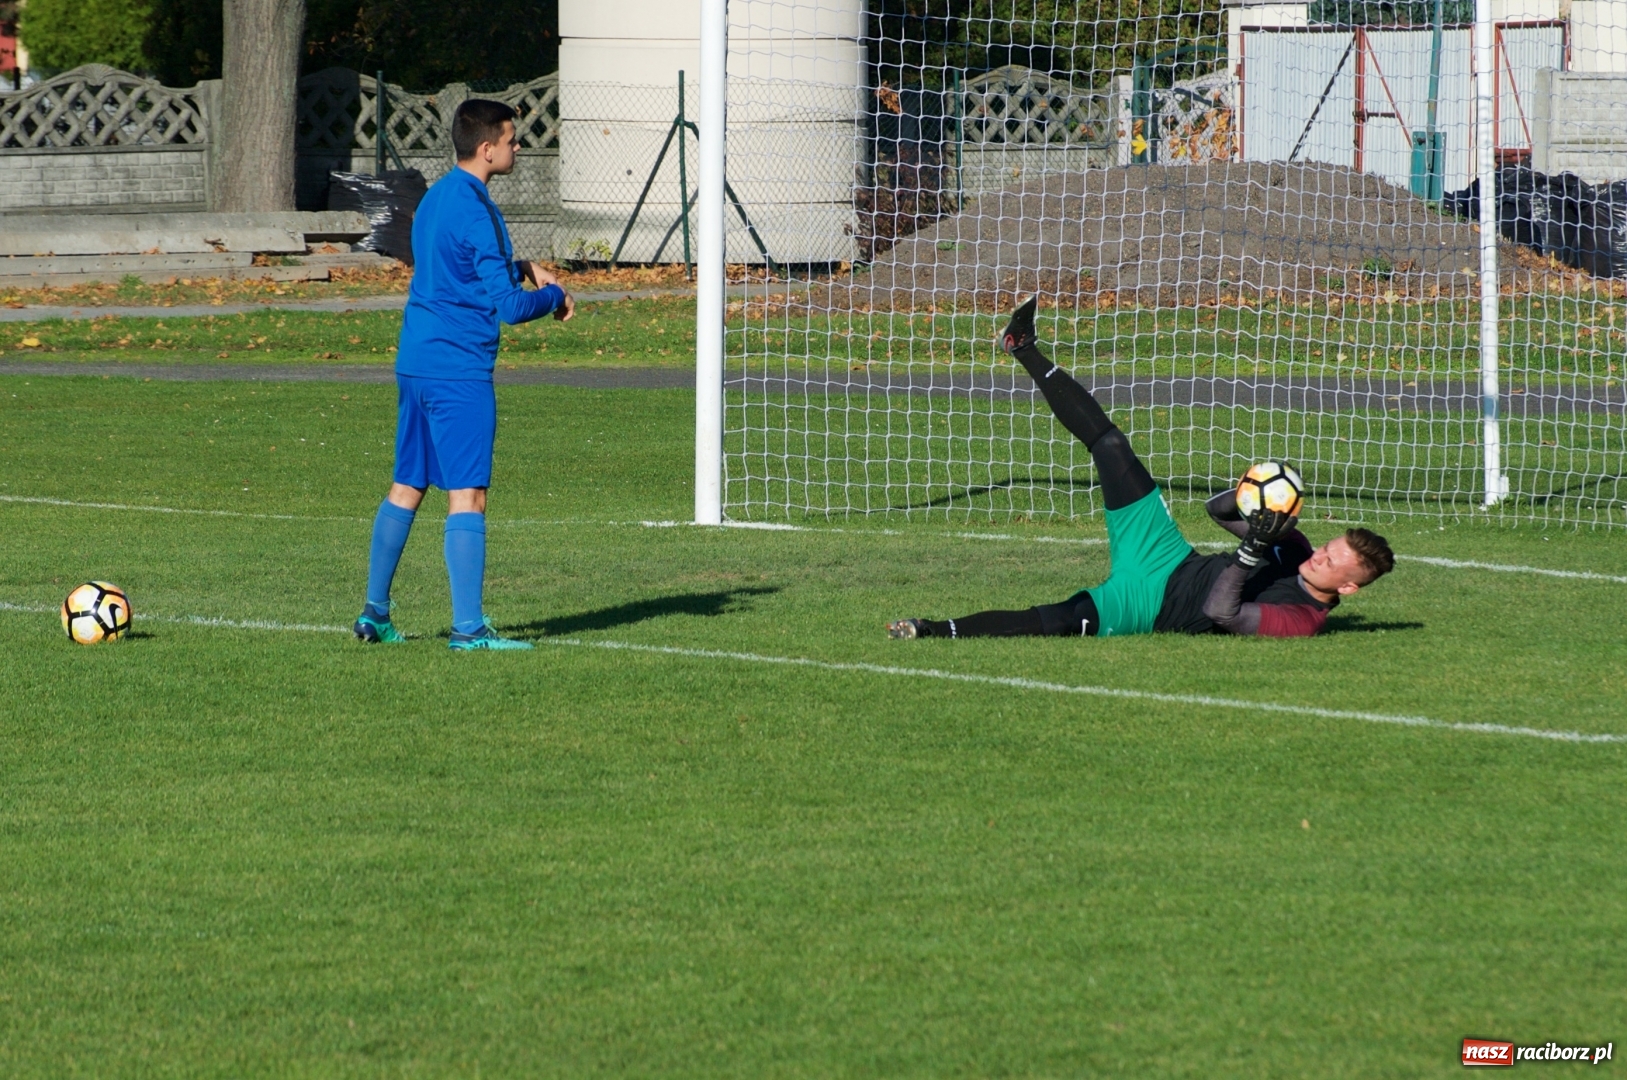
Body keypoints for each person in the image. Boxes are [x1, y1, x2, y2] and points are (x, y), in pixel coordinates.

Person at [887, 297, 1394, 641]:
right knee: (1111, 445)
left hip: (1148, 604)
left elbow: (1222, 612)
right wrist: (1254, 497)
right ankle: (1023, 346)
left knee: (1061, 620)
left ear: (1347, 588)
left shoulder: (1301, 619)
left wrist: (1254, 547)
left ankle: (933, 629)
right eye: (1330, 548)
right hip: (1167, 553)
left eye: (1333, 563)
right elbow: (1216, 510)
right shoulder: (1297, 548)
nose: (1320, 557)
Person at [354, 98, 575, 650]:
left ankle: (374, 614)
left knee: (407, 485)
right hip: (459, 371)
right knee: (468, 496)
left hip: (416, 363)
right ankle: (469, 629)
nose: (517, 147)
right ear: (487, 149)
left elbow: (455, 264)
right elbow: (509, 307)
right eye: (511, 139)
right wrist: (552, 294)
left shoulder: (435, 198)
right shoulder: (479, 209)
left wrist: (522, 265)